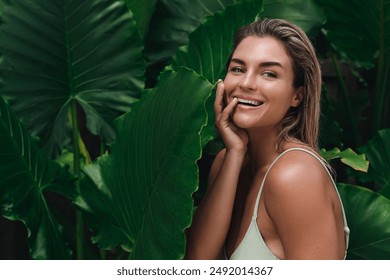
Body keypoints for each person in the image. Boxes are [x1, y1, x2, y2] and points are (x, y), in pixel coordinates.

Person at [185, 18, 349, 260]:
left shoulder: (295, 174)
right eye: (238, 69)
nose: (246, 83)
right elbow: (197, 264)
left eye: (269, 74)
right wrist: (235, 153)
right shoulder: (227, 161)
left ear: (297, 95)